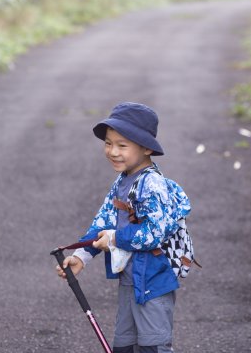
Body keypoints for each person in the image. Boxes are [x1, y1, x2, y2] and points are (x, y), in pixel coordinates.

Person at [56, 102, 191, 353]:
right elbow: (103, 222)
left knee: (153, 347)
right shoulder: (122, 181)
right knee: (125, 346)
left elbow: (154, 233)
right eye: (108, 143)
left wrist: (116, 238)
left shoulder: (153, 184)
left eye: (122, 145)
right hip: (131, 281)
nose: (113, 151)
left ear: (146, 148)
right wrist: (81, 256)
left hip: (153, 281)